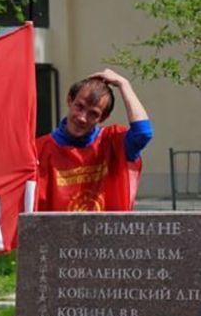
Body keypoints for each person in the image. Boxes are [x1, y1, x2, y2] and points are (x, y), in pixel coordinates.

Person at [34, 69, 153, 212]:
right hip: (59, 233)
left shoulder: (112, 142)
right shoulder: (39, 149)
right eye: (79, 106)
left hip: (104, 233)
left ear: (103, 118)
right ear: (69, 101)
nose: (82, 118)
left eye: (93, 113)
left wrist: (124, 84)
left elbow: (143, 134)